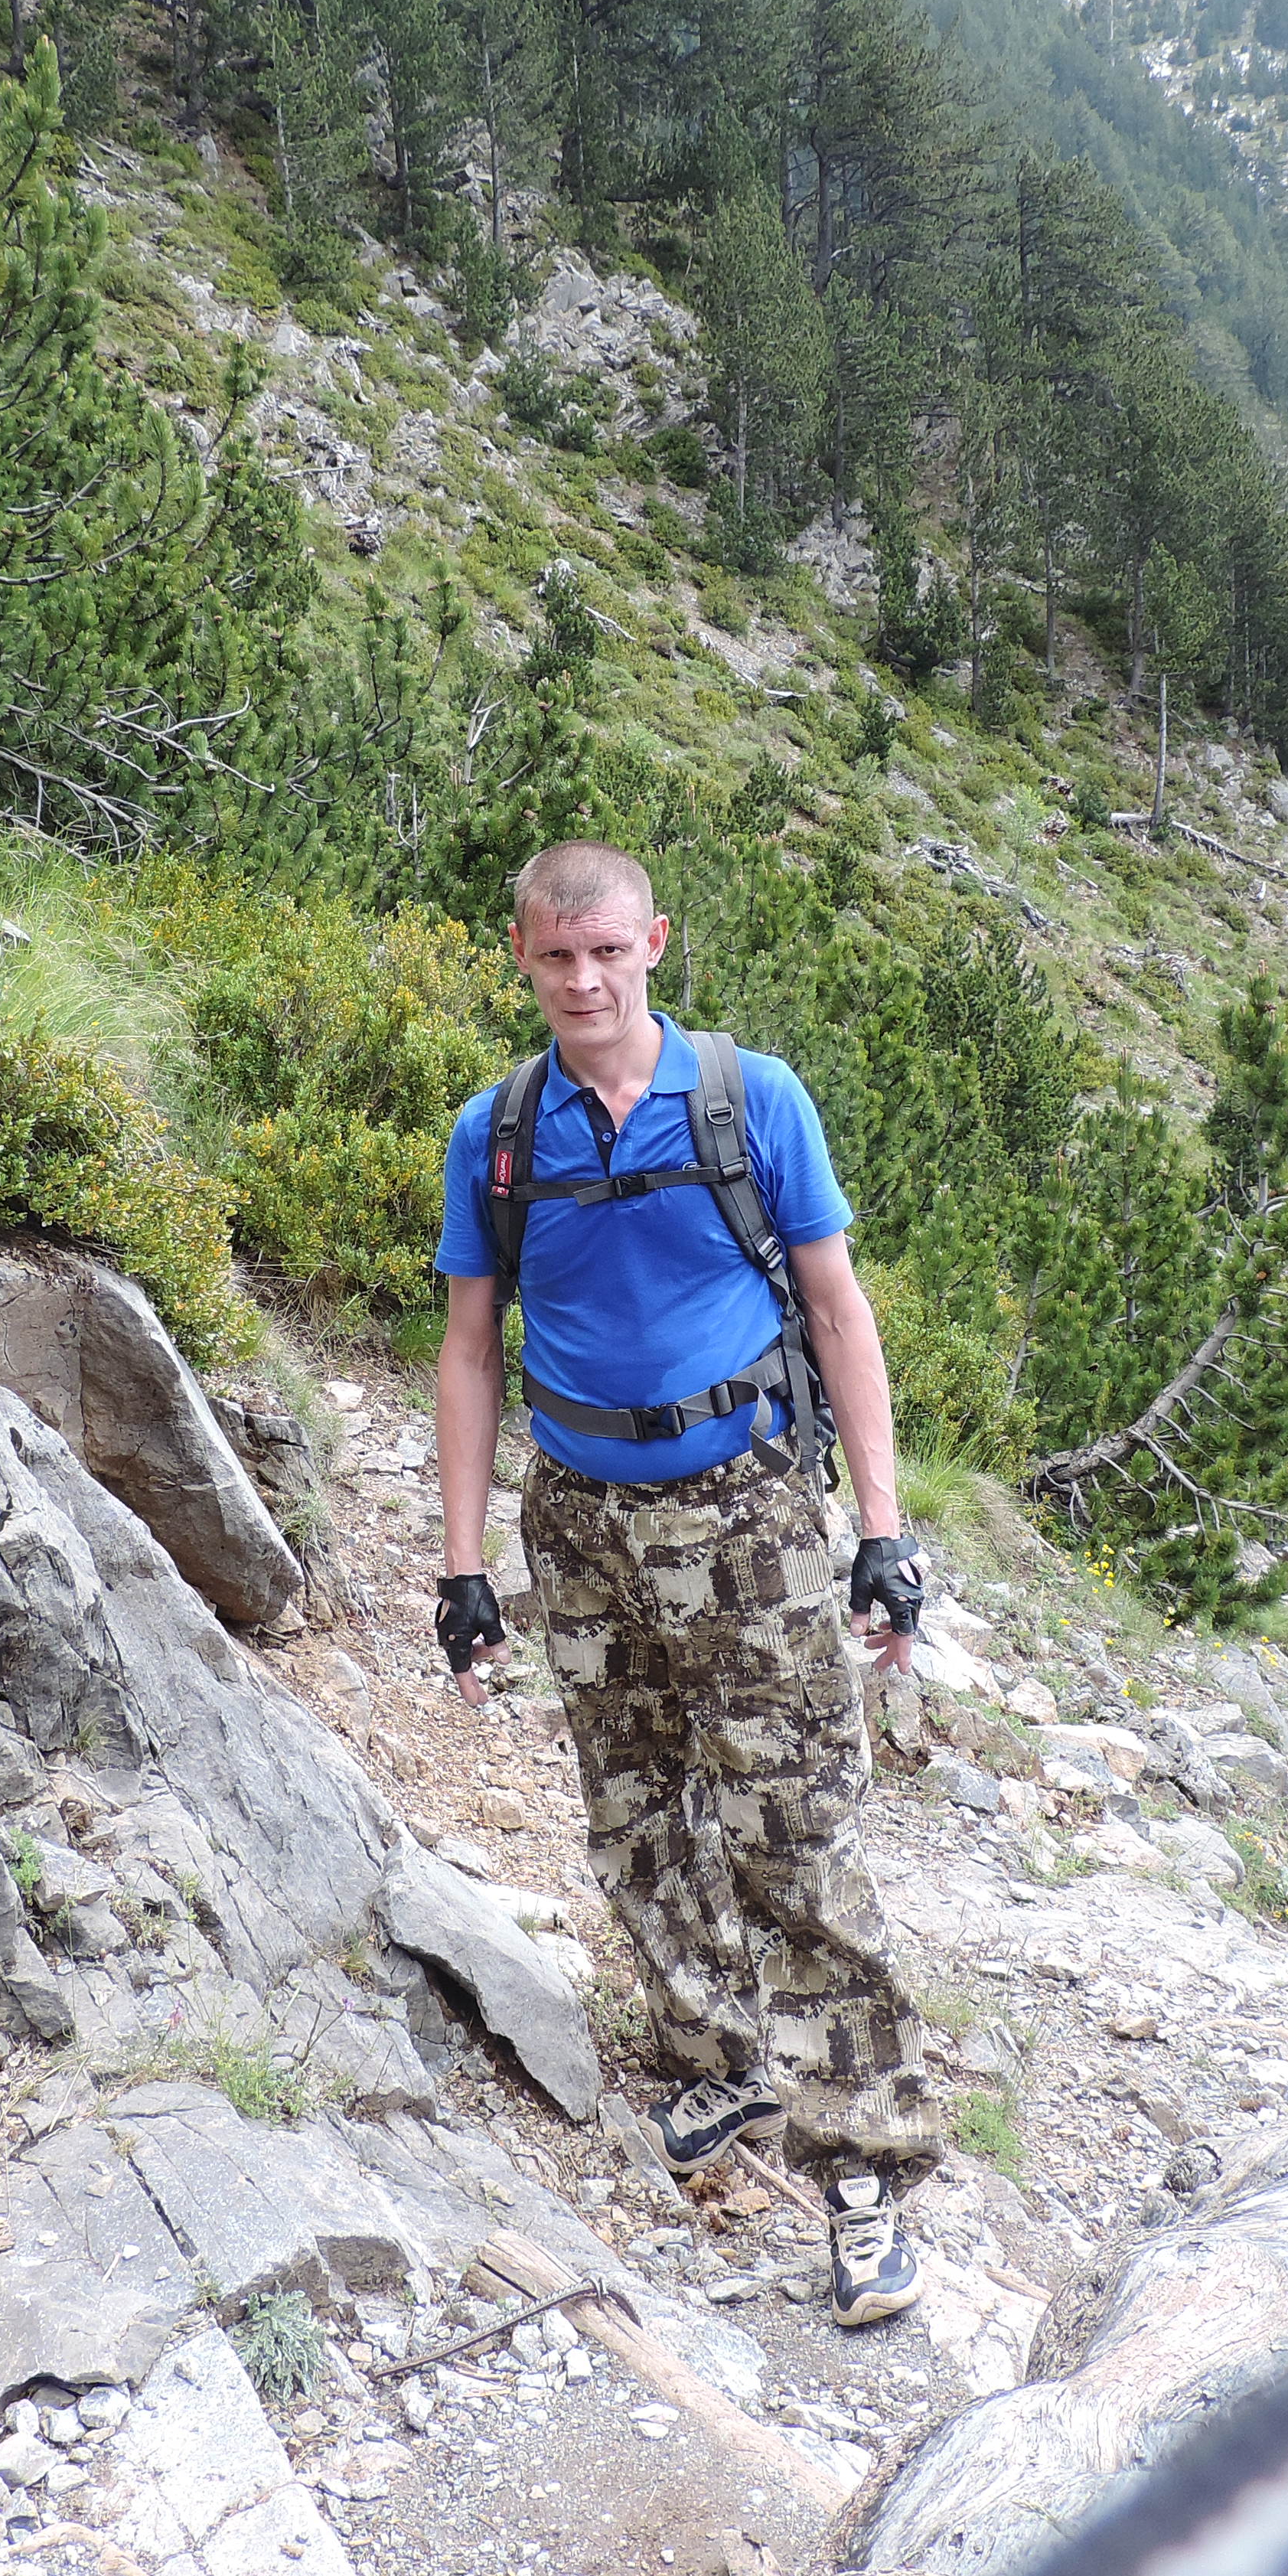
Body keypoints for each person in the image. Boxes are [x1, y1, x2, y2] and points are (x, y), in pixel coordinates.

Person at [428, 839, 942, 2327]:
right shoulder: (497, 1134)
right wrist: (463, 1566)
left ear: (655, 942)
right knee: (638, 1814)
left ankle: (865, 2165)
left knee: (796, 1833)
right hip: (578, 1517)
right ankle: (719, 2065)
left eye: (608, 953)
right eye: (556, 958)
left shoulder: (751, 1098)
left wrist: (883, 1530)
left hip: (745, 1507)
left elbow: (838, 1311)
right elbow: (470, 1349)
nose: (584, 982)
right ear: (522, 959)